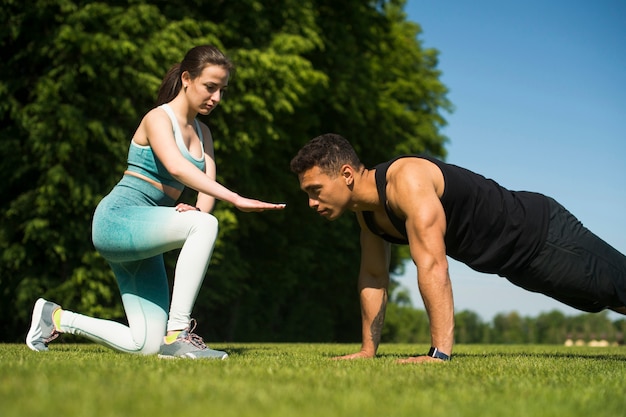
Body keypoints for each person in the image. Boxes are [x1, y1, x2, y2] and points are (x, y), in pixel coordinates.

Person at [26, 45, 285, 359]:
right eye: (210, 87)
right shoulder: (157, 119)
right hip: (117, 220)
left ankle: (55, 318)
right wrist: (235, 199)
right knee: (205, 225)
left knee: (146, 345)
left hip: (143, 233)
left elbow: (207, 187)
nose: (216, 98)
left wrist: (199, 211)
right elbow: (177, 166)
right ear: (187, 79)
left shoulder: (204, 133)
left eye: (221, 90)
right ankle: (178, 333)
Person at [289, 133, 626, 363]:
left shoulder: (407, 180)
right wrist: (367, 350)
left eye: (316, 189)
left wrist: (440, 353)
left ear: (346, 174)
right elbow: (374, 278)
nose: (311, 202)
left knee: (619, 290)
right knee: (599, 300)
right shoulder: (368, 217)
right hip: (514, 264)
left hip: (543, 234)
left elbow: (433, 264)